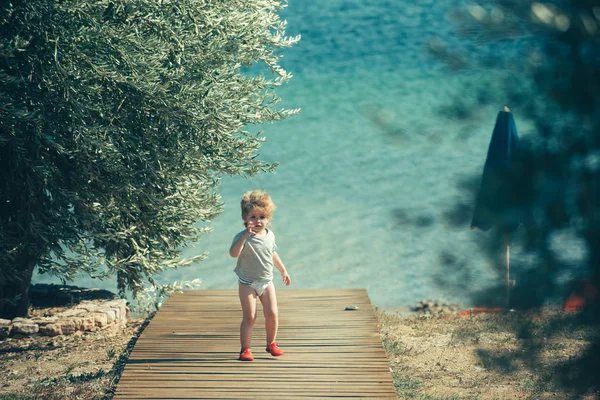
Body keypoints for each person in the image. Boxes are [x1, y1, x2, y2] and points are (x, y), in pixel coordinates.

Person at [229, 190, 291, 362]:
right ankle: (245, 349)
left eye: (262, 217)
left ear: (268, 219)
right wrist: (244, 236)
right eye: (253, 217)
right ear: (245, 219)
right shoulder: (243, 237)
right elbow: (233, 253)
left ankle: (271, 343)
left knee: (272, 313)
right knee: (250, 316)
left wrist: (283, 270)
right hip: (247, 282)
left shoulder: (270, 235)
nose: (257, 221)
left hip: (266, 281)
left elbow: (272, 253)